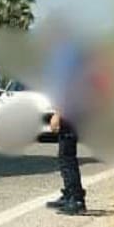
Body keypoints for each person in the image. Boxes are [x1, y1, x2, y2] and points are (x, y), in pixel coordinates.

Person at [43, 28, 87, 216]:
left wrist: (58, 113)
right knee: (65, 155)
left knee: (67, 157)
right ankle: (70, 193)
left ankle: (76, 199)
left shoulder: (67, 57)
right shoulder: (70, 56)